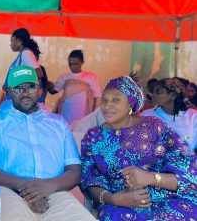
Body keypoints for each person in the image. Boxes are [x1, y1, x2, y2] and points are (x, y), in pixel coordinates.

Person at [0, 66, 95, 221]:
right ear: (9, 92)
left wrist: (47, 187)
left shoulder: (59, 124)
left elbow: (75, 170)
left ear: (40, 90)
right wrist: (26, 187)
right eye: (18, 88)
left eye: (30, 87)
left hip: (54, 193)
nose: (24, 93)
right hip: (8, 191)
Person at [81, 76, 197, 220]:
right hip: (120, 206)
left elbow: (190, 172)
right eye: (104, 100)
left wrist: (151, 177)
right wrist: (114, 199)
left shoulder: (155, 126)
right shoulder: (93, 137)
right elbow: (89, 179)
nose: (106, 106)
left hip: (167, 200)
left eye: (115, 99)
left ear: (131, 103)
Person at [142, 78, 196, 155]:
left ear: (173, 95)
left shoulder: (193, 117)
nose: (153, 95)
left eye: (158, 92)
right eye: (153, 91)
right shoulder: (147, 115)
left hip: (187, 165)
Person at [55, 50, 101, 124]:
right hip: (67, 112)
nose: (72, 67)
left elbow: (96, 97)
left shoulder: (91, 77)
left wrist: (91, 115)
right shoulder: (64, 77)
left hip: (83, 113)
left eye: (76, 64)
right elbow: (55, 90)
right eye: (70, 64)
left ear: (82, 62)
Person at [4, 28, 43, 98]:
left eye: (12, 41)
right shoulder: (21, 55)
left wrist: (19, 85)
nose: (10, 44)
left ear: (19, 42)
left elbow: (39, 73)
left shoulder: (26, 53)